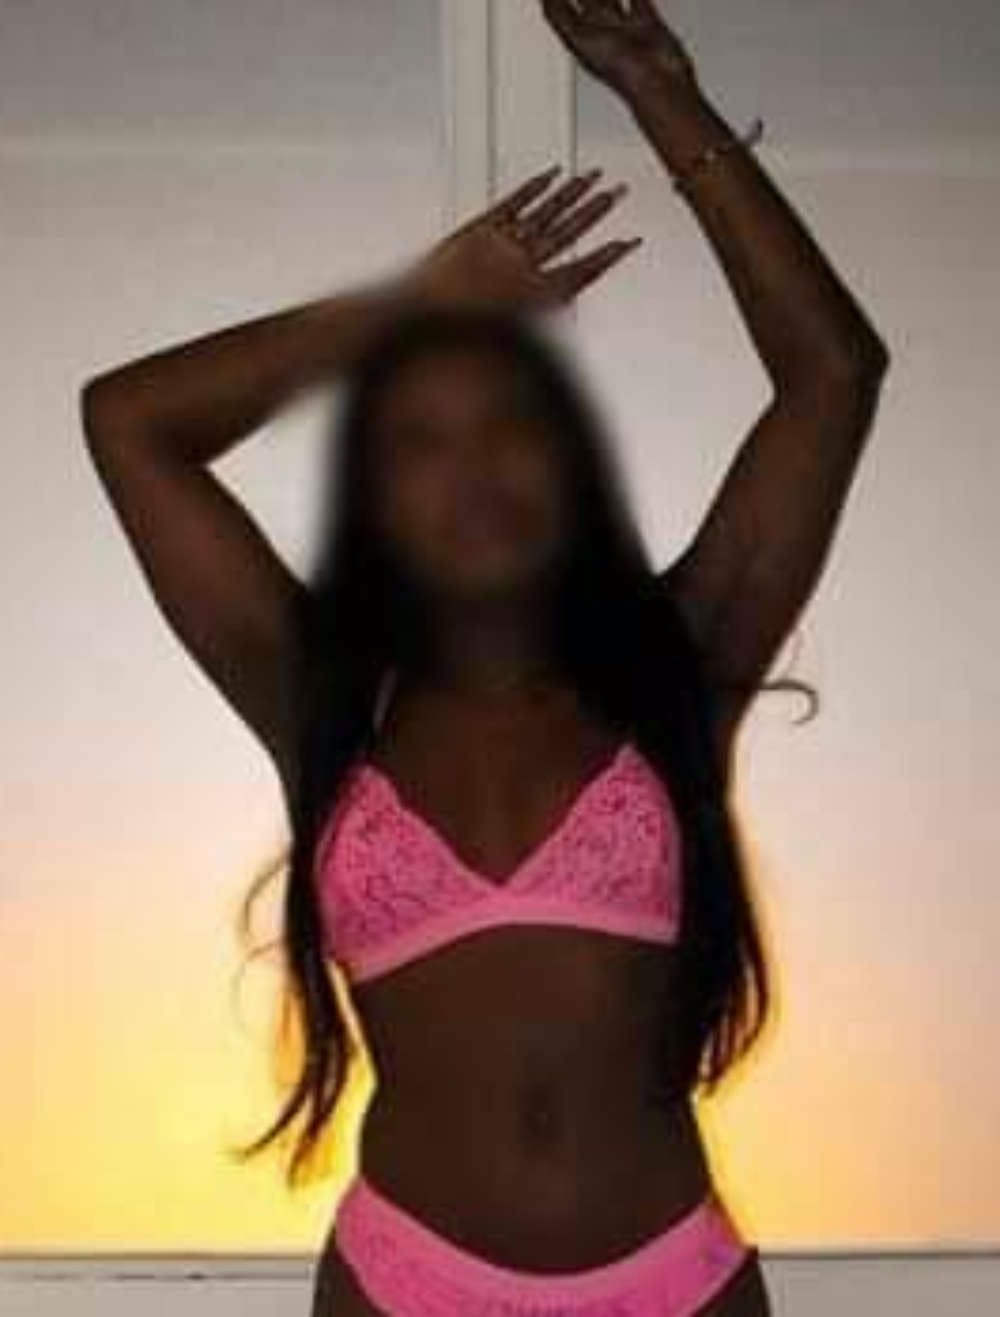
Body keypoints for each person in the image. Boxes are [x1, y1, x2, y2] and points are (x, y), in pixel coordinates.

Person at [80, 2, 890, 1312]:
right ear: (376, 495)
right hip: (406, 1283)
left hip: (675, 1285)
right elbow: (127, 423)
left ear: (570, 464)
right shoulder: (320, 692)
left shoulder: (683, 659)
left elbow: (833, 377)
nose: (471, 468)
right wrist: (419, 302)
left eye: (509, 424)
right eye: (420, 439)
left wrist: (661, 93)